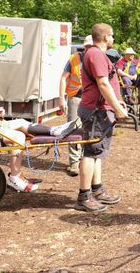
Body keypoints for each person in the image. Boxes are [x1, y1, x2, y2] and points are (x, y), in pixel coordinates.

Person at [75, 23, 129, 213]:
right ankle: (84, 196)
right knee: (90, 152)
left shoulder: (96, 54)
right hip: (96, 110)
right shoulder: (96, 54)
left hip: (101, 109)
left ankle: (96, 189)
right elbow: (103, 84)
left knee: (98, 152)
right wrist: (117, 108)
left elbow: (110, 83)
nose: (113, 39)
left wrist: (118, 102)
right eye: (112, 36)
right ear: (106, 37)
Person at [58, 35, 93, 176]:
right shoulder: (74, 58)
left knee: (89, 130)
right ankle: (74, 162)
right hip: (76, 97)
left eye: (91, 46)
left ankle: (86, 158)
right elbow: (63, 78)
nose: (88, 49)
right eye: (87, 46)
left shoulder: (98, 59)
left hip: (91, 100)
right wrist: (61, 99)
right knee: (73, 128)